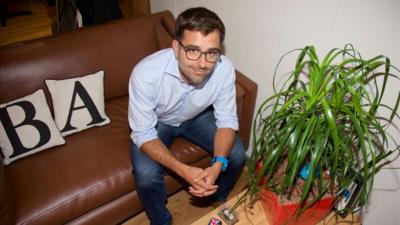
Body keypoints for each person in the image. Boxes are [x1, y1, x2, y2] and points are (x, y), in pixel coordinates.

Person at [128, 7, 246, 225]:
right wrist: (184, 171)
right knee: (145, 174)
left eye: (211, 53)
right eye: (192, 50)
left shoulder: (224, 69)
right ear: (176, 47)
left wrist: (217, 164)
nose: (203, 64)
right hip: (159, 122)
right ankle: (161, 221)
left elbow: (227, 120)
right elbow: (143, 132)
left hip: (198, 117)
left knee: (238, 154)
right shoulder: (146, 73)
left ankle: (218, 198)